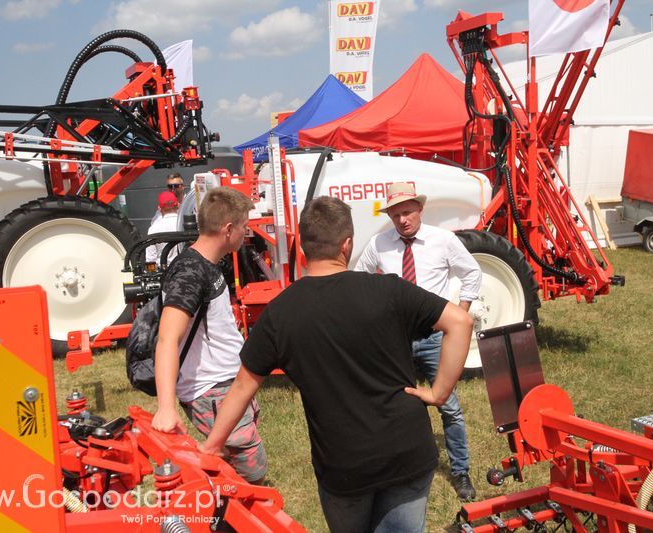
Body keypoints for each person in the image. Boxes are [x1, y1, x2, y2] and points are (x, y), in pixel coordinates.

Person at [200, 196, 473, 532]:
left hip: (344, 465)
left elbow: (242, 386)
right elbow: (460, 322)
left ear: (302, 251)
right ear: (347, 245)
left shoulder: (280, 313)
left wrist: (212, 446)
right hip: (407, 451)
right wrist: (439, 393)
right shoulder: (389, 289)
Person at [355, 182, 482, 501]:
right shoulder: (379, 244)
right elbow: (360, 279)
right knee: (392, 406)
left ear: (420, 209)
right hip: (394, 341)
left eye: (407, 212)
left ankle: (461, 470)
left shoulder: (443, 240)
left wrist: (459, 312)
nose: (402, 220)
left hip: (434, 337)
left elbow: (472, 273)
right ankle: (396, 470)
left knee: (449, 406)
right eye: (395, 214)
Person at [151, 186, 267, 484]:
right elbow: (167, 339)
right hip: (212, 390)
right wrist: (165, 408)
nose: (246, 233)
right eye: (243, 226)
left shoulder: (207, 265)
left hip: (226, 386)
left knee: (236, 475)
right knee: (251, 475)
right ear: (228, 229)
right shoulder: (190, 272)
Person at [146, 191, 180, 266]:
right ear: (177, 205)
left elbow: (150, 259)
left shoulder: (153, 229)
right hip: (185, 270)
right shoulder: (184, 224)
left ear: (159, 208)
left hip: (163, 272)